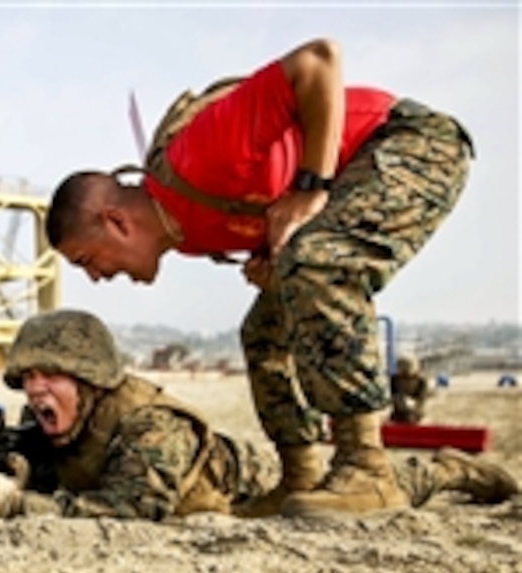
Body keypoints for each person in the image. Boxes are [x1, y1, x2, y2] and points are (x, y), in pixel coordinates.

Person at [42, 37, 474, 516]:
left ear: (116, 222)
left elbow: (318, 60)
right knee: (264, 330)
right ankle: (302, 476)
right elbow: (275, 207)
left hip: (406, 143)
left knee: (317, 262)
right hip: (353, 178)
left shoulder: (199, 157)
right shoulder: (184, 234)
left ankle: (366, 468)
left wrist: (313, 187)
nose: (97, 278)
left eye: (87, 261)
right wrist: (275, 256)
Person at [0, 310, 517, 523]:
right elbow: (66, 471)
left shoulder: (152, 427)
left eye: (51, 375)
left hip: (255, 486)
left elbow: (127, 510)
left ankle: (447, 469)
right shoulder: (56, 419)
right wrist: (23, 473)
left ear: (93, 379)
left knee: (364, 501)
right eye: (27, 379)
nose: (35, 389)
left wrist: (21, 502)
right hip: (209, 496)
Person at [390, 355, 430, 424]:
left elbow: (421, 399)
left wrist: (413, 404)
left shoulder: (421, 380)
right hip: (399, 412)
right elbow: (394, 395)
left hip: (416, 412)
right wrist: (400, 401)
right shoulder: (395, 379)